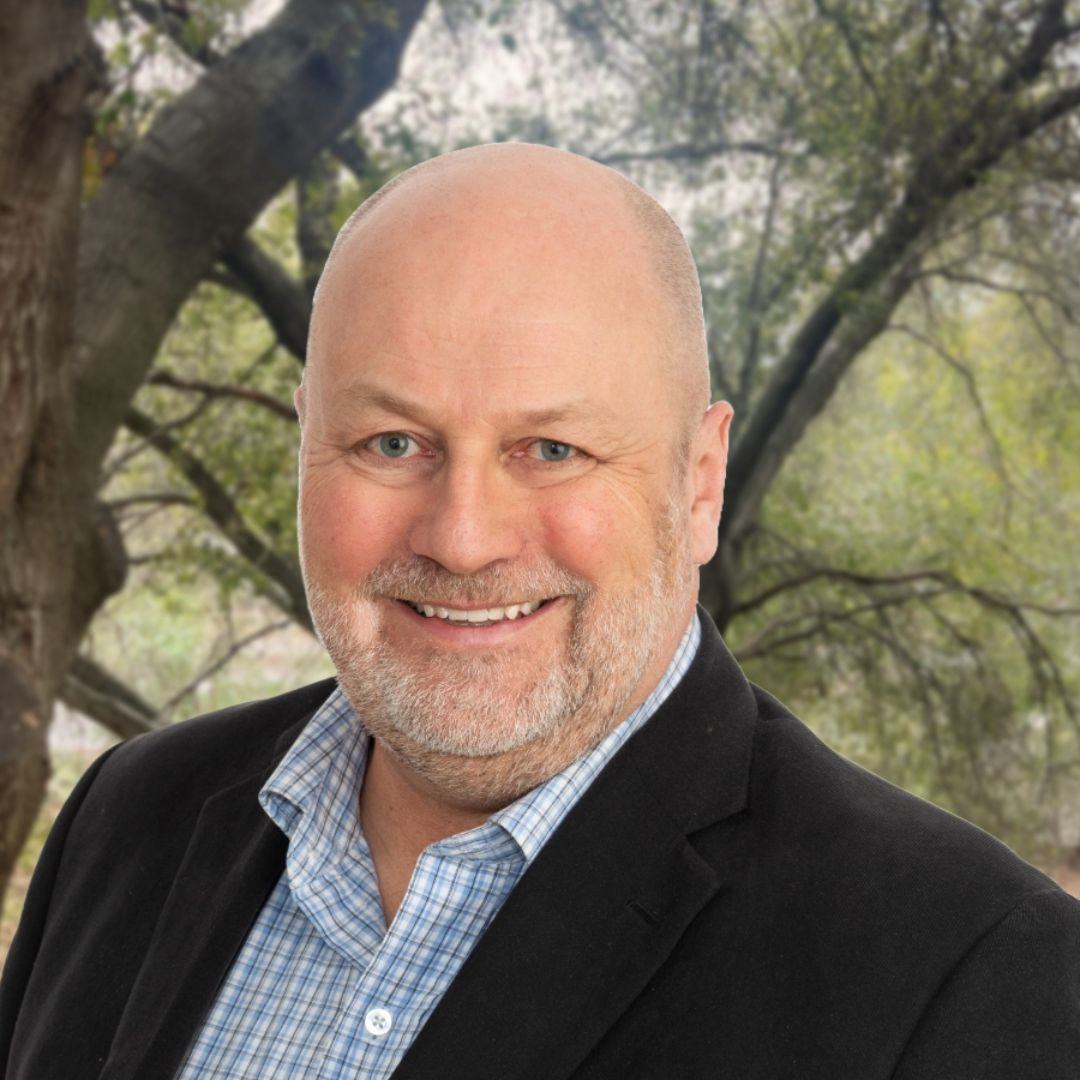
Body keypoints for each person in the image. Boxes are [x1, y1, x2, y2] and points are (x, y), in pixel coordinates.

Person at [1, 142, 1077, 1080]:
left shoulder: (978, 978)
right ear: (305, 449)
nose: (463, 537)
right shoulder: (128, 820)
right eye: (390, 443)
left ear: (699, 483)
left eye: (552, 450)